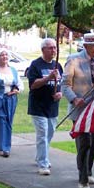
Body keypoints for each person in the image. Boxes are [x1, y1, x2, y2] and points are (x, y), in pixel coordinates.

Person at [61, 32, 94, 188]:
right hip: (80, 110)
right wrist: (74, 99)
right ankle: (82, 181)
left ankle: (88, 171)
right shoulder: (73, 60)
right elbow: (65, 85)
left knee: (93, 142)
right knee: (84, 143)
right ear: (86, 46)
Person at [27, 38, 63, 176]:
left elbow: (60, 84)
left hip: (52, 107)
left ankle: (40, 155)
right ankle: (43, 164)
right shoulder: (36, 65)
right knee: (42, 134)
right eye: (50, 48)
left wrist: (60, 93)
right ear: (43, 50)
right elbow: (33, 84)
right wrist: (48, 78)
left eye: (55, 48)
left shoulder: (57, 65)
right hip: (38, 106)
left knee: (49, 134)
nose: (53, 50)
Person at [0, 48, 24, 157]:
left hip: (10, 100)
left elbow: (21, 85)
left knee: (7, 122)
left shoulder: (13, 70)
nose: (4, 57)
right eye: (2, 55)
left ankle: (3, 145)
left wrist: (16, 90)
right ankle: (4, 148)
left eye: (6, 55)